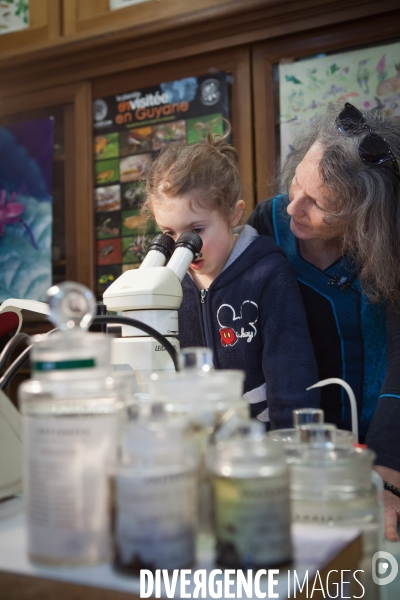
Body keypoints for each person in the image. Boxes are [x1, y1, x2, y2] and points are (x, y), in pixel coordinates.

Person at [248, 102, 400, 540]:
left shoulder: (391, 240)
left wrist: (387, 478)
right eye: (296, 185)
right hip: (307, 447)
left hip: (388, 437)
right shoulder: (268, 223)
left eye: (319, 204)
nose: (294, 207)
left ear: (366, 217)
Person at [142, 131, 320, 429]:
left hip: (258, 439)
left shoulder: (267, 272)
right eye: (169, 234)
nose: (184, 246)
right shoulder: (163, 285)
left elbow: (291, 369)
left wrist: (291, 444)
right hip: (193, 437)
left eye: (195, 230)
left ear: (234, 215)